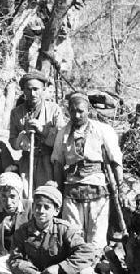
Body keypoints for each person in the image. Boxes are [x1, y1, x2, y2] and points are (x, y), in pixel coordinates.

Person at [51, 92, 123, 254]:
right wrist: (58, 191)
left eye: (81, 111)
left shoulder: (103, 130)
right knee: (73, 233)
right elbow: (57, 163)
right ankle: (76, 268)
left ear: (88, 110)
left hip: (98, 188)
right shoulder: (63, 133)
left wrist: (118, 184)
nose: (76, 115)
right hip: (72, 189)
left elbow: (115, 159)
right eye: (73, 111)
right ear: (68, 111)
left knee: (96, 234)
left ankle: (95, 267)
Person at [9, 182, 96, 274]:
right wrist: (26, 268)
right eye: (37, 206)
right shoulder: (22, 231)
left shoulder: (64, 229)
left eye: (46, 207)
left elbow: (87, 252)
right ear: (32, 208)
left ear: (56, 210)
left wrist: (60, 268)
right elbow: (13, 259)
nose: (41, 211)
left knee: (85, 272)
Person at [9, 72, 65, 194]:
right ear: (23, 90)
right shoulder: (16, 112)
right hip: (26, 162)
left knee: (46, 195)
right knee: (25, 195)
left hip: (48, 162)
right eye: (28, 90)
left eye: (36, 89)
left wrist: (43, 130)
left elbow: (62, 139)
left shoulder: (54, 109)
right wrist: (19, 141)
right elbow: (12, 139)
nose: (32, 93)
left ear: (43, 90)